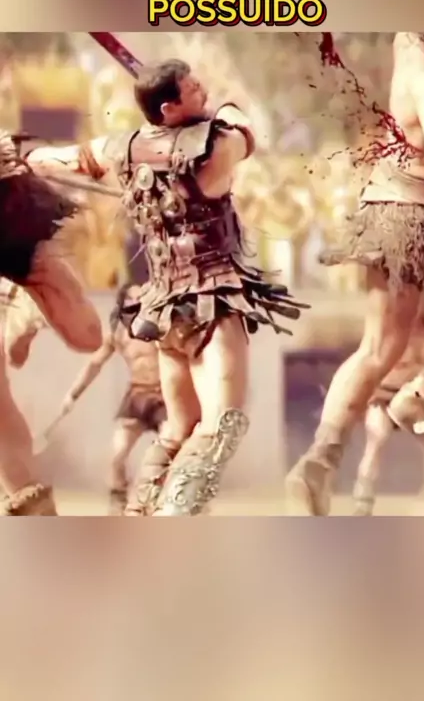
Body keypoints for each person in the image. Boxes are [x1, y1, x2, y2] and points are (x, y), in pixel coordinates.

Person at [26, 59, 308, 516]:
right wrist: (224, 109)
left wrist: (26, 155)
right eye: (193, 89)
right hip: (211, 303)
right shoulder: (215, 148)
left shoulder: (120, 149)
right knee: (220, 427)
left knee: (179, 428)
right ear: (169, 107)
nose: (203, 90)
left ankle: (138, 513)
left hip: (164, 312)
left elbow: (56, 160)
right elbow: (244, 132)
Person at [286, 32, 424, 515]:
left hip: (400, 207)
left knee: (377, 350)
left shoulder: (411, 44)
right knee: (381, 349)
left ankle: (318, 462)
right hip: (417, 215)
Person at [0, 130, 103, 515]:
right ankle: (30, 503)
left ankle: (27, 309)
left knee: (87, 335)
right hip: (13, 198)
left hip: (12, 202)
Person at [351, 288, 424, 515]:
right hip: (383, 397)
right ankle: (363, 503)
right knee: (377, 437)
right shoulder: (388, 332)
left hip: (416, 399)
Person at [57, 284, 165, 515]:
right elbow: (94, 364)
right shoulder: (118, 333)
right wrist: (73, 394)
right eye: (132, 300)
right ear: (123, 304)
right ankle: (118, 501)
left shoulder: (163, 326)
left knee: (166, 453)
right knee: (117, 454)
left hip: (166, 397)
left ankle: (163, 501)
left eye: (142, 299)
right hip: (138, 395)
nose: (138, 305)